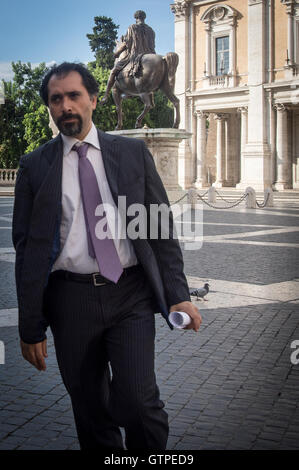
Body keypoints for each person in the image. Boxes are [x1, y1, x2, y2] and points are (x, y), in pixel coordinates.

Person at [12, 62, 202, 450]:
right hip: (69, 301)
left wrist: (178, 292)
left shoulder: (131, 152)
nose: (65, 105)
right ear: (50, 106)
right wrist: (30, 326)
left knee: (137, 402)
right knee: (90, 411)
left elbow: (158, 229)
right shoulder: (35, 166)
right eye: (56, 98)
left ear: (94, 100)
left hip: (128, 293)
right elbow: (27, 253)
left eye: (74, 96)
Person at [100, 10, 156, 104]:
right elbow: (152, 46)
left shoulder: (133, 27)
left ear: (136, 18)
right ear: (144, 17)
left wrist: (117, 53)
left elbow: (126, 43)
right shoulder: (151, 30)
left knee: (113, 71)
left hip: (135, 55)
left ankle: (106, 95)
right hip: (150, 56)